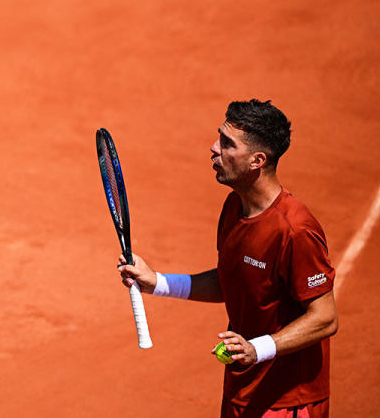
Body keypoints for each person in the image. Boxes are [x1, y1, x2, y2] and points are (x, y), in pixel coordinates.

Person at [118, 99, 338, 418]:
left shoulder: (295, 231)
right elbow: (234, 282)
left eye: (226, 143)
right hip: (243, 388)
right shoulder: (234, 208)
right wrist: (159, 282)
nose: (213, 148)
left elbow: (325, 317)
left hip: (288, 402)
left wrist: (257, 348)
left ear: (256, 160)